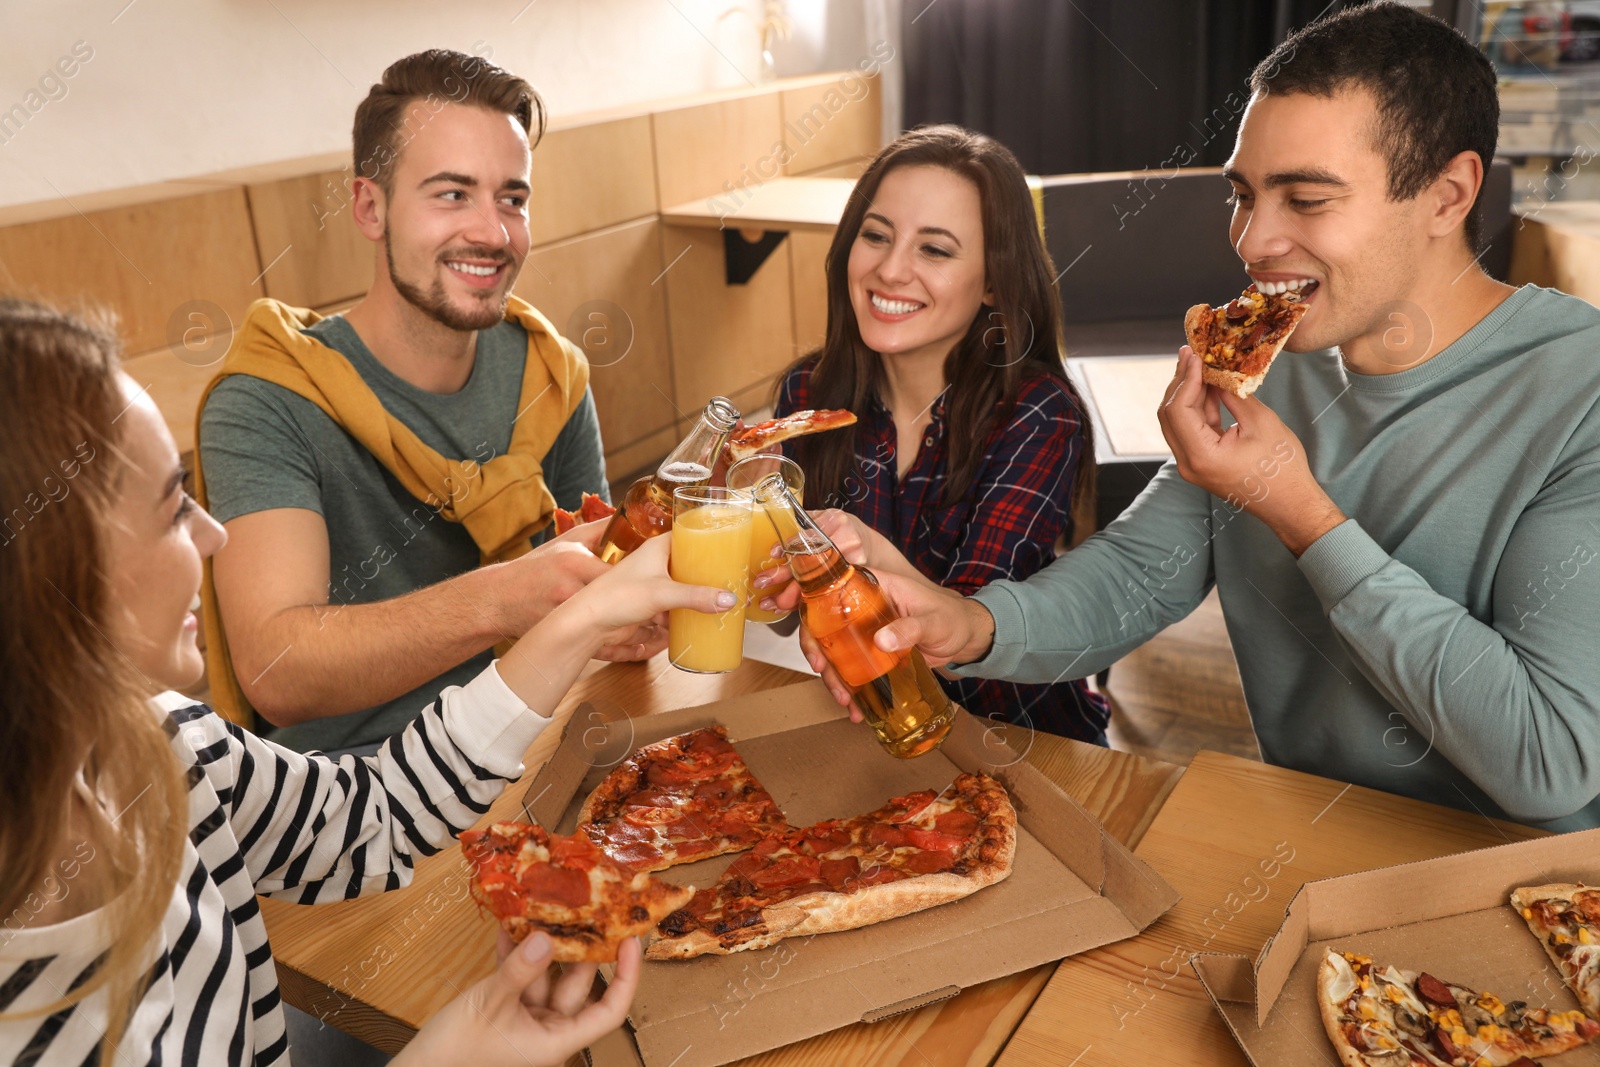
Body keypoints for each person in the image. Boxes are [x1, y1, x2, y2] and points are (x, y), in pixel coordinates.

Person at [785, 2, 1600, 829]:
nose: (1252, 241)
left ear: (1447, 193)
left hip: (1530, 895)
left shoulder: (1584, 395)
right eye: (1242, 195)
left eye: (1307, 199)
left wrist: (1301, 513)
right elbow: (1138, 576)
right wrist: (965, 621)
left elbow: (1548, 762)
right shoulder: (1268, 365)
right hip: (1306, 837)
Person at [0, 299, 735, 1064]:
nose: (213, 533)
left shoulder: (164, 747)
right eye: (172, 507)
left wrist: (574, 618)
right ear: (51, 577)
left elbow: (371, 816)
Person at [196, 49, 657, 756]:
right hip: (350, 798)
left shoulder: (550, 373)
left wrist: (625, 611)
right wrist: (511, 593)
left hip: (534, 747)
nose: (492, 232)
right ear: (370, 207)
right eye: (451, 194)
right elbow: (278, 673)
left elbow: (591, 615)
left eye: (513, 198)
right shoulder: (267, 398)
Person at [759, 124, 1111, 744]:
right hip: (868, 728)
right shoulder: (808, 396)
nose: (891, 270)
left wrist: (867, 554)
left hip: (1025, 741)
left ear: (995, 282)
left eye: (936, 250)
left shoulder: (1037, 413)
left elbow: (972, 649)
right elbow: (788, 619)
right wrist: (753, 548)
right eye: (875, 236)